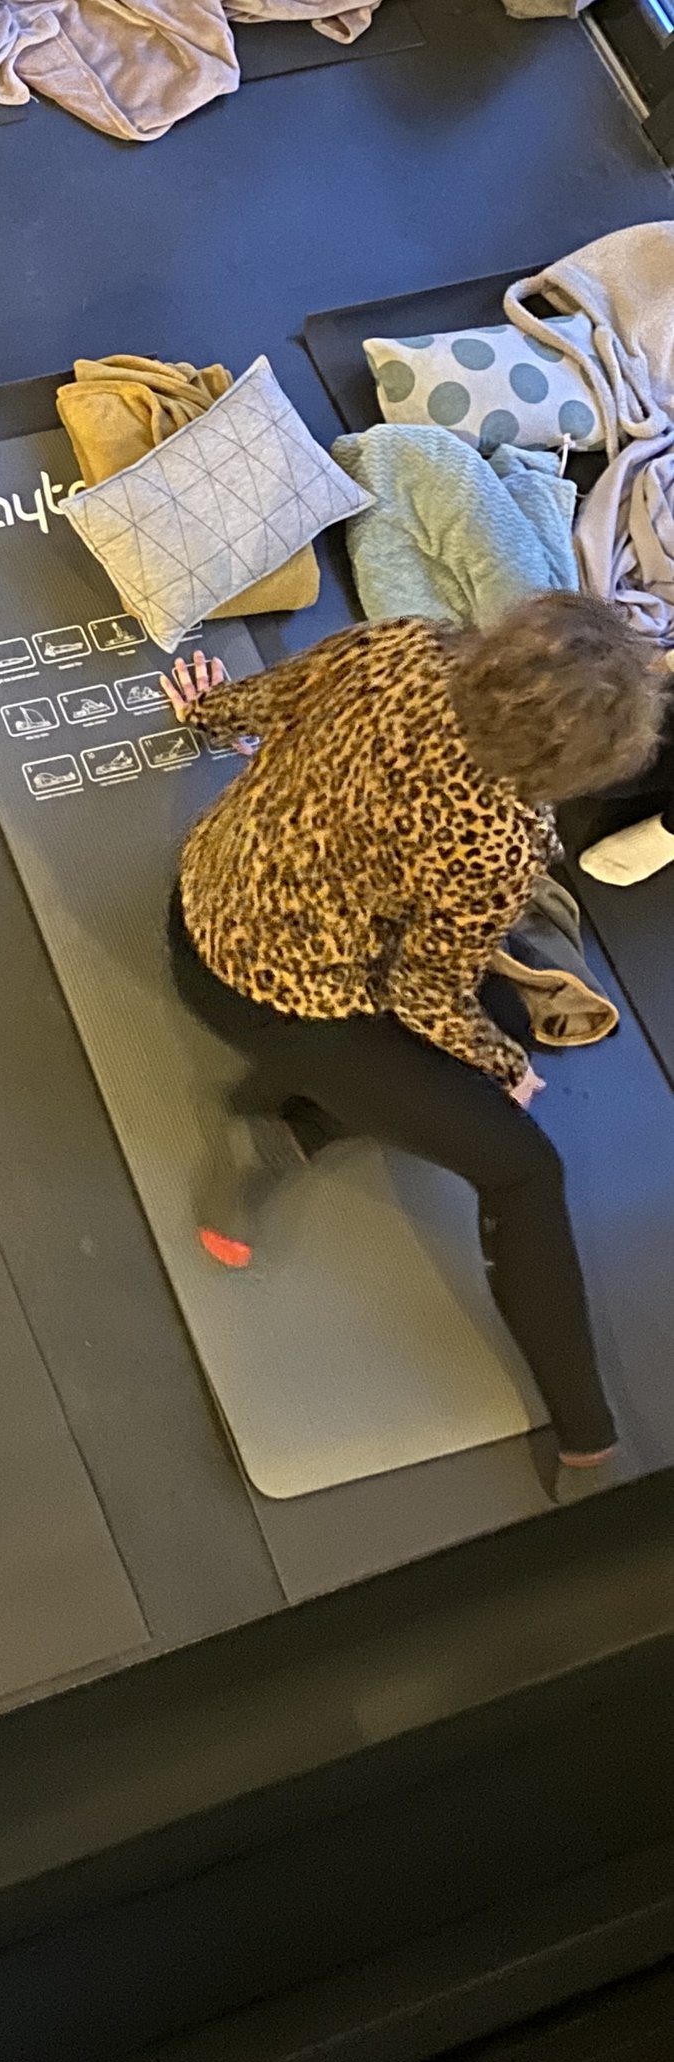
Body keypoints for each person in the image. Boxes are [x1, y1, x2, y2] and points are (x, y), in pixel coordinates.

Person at [161, 596, 666, 1498]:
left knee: (505, 1018)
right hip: (272, 996)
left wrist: (206, 709)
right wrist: (506, 1075)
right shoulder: (498, 841)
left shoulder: (405, 642)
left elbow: (275, 697)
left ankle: (296, 1129)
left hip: (204, 890)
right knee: (522, 1168)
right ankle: (589, 1440)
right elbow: (422, 993)